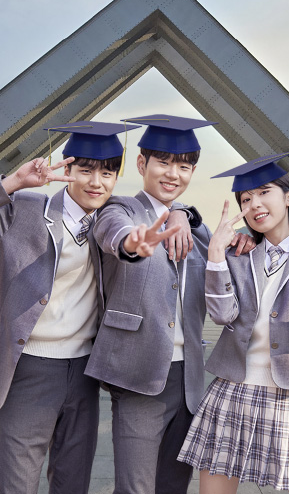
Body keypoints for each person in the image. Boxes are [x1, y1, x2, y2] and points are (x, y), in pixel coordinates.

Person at [0, 121, 179, 494]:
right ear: (67, 169)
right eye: (86, 171)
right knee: (18, 482)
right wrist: (11, 183)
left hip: (84, 370)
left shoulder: (112, 217)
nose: (97, 182)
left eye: (107, 173)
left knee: (72, 481)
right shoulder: (22, 209)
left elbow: (131, 231)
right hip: (27, 365)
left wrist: (177, 217)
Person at [87, 114, 253, 494]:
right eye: (163, 162)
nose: (173, 174)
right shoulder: (119, 209)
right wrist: (135, 242)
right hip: (138, 371)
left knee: (174, 485)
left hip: (189, 377)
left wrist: (246, 241)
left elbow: (220, 265)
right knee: (136, 487)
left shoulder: (198, 229)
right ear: (142, 164)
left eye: (184, 166)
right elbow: (116, 234)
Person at [178, 153, 289, 494]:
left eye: (264, 192)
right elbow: (223, 316)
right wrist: (215, 258)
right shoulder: (238, 254)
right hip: (230, 388)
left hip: (285, 394)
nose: (254, 204)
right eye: (245, 199)